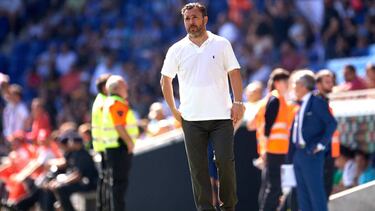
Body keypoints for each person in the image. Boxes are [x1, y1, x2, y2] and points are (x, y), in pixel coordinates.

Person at [160, 3, 245, 210]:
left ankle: (229, 207)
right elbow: (165, 80)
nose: (191, 22)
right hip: (191, 119)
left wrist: (238, 102)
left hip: (221, 116)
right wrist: (174, 110)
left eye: (195, 17)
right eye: (187, 19)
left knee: (225, 162)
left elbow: (234, 72)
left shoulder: (222, 44)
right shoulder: (176, 49)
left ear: (205, 19)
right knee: (198, 170)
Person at [288, 70, 337, 211]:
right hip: (299, 153)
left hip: (311, 154)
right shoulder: (300, 104)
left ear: (303, 86)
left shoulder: (317, 102)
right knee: (302, 196)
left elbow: (331, 123)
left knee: (316, 194)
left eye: (296, 84)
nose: (294, 87)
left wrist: (321, 145)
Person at [256, 68, 290, 211]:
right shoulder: (275, 99)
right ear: (277, 83)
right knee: (274, 186)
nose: (287, 84)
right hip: (275, 149)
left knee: (272, 186)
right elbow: (267, 127)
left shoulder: (274, 99)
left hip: (278, 149)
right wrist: (265, 150)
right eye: (285, 81)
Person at [102, 75, 139, 211]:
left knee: (117, 186)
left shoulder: (110, 102)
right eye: (124, 84)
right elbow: (119, 125)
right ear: (117, 88)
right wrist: (129, 143)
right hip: (119, 148)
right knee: (119, 187)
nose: (127, 87)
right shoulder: (117, 102)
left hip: (114, 148)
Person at [315, 69, 341, 198]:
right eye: (327, 82)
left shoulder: (325, 102)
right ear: (318, 84)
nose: (330, 84)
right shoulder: (316, 102)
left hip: (329, 154)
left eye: (331, 82)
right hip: (322, 154)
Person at [91, 73, 110, 211]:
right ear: (104, 87)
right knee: (105, 179)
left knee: (103, 178)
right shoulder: (104, 102)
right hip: (105, 145)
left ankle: (101, 207)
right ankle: (103, 207)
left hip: (101, 145)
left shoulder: (100, 99)